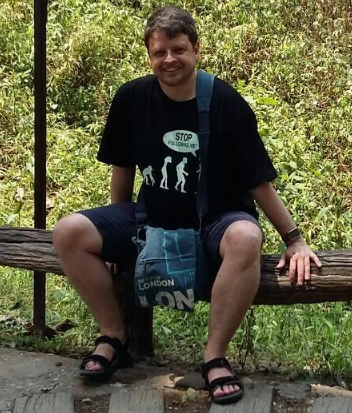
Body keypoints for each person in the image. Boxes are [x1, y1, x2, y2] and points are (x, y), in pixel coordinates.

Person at [53, 5, 322, 405]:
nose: (169, 60)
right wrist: (115, 243)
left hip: (216, 219)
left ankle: (214, 356)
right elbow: (123, 170)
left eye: (178, 49)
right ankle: (113, 335)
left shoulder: (225, 102)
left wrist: (295, 239)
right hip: (153, 217)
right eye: (159, 52)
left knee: (247, 237)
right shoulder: (131, 98)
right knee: (67, 231)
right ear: (149, 55)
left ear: (196, 49)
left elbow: (258, 181)